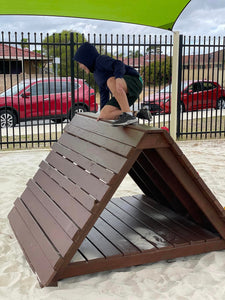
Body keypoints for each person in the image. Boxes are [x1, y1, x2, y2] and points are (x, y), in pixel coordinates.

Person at [74, 42, 152, 126]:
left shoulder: (100, 60)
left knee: (111, 81)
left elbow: (118, 64)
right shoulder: (97, 75)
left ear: (86, 59)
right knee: (104, 114)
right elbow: (104, 94)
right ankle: (136, 114)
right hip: (125, 93)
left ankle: (128, 115)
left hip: (134, 81)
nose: (80, 67)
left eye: (80, 63)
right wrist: (103, 112)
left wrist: (118, 77)